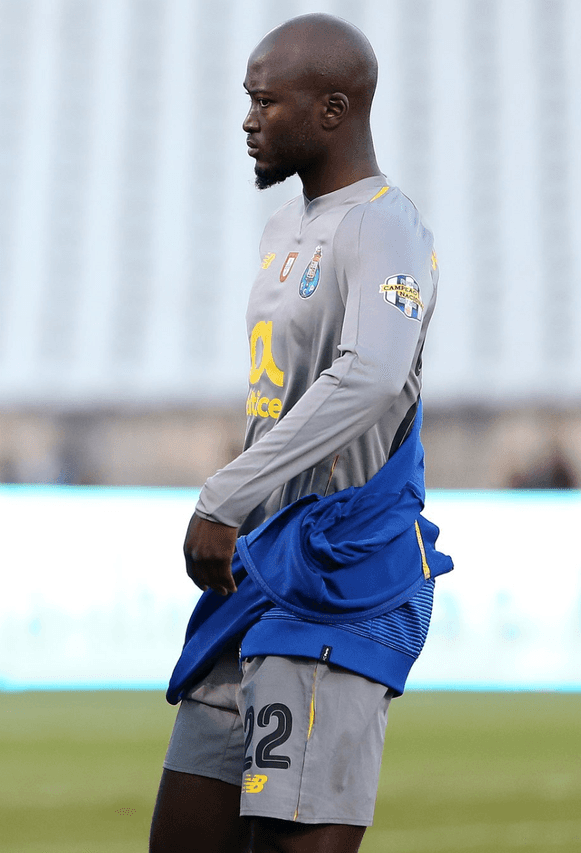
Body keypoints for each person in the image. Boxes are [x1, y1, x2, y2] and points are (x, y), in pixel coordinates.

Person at [148, 15, 452, 853]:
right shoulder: (287, 228)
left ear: (333, 109)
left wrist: (224, 492)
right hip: (259, 564)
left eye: (265, 102)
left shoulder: (385, 223)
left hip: (337, 571)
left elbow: (372, 374)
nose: (248, 120)